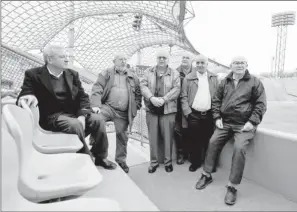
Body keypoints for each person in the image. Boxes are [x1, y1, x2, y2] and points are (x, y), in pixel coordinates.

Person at [17, 45, 116, 170]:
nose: (67, 59)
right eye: (62, 56)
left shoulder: (72, 74)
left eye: (67, 56)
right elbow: (25, 92)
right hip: (52, 116)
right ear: (50, 59)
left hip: (73, 114)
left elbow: (83, 97)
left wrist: (82, 115)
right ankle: (84, 156)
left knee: (98, 119)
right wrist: (28, 95)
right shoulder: (33, 74)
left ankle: (100, 156)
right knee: (75, 125)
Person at [195, 56, 267, 205]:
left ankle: (232, 186)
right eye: (236, 63)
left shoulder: (255, 82)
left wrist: (252, 122)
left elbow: (261, 104)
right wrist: (217, 117)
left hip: (244, 124)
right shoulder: (225, 82)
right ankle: (206, 174)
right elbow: (216, 100)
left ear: (247, 65)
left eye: (242, 63)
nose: (239, 65)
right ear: (231, 65)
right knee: (213, 141)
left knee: (239, 148)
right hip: (226, 122)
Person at [90, 53, 142, 173]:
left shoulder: (133, 77)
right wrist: (96, 105)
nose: (123, 61)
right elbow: (97, 88)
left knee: (122, 136)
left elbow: (138, 94)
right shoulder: (106, 73)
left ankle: (121, 161)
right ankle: (98, 154)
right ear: (114, 61)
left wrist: (136, 106)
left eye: (125, 59)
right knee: (96, 120)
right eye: (120, 59)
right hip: (107, 107)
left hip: (123, 112)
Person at [140, 49, 180, 173]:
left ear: (168, 59)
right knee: (153, 137)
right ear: (156, 59)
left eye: (164, 57)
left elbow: (177, 88)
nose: (161, 59)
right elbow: (143, 86)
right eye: (159, 57)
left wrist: (164, 99)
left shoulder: (174, 73)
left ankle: (168, 162)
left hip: (168, 109)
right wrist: (151, 98)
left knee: (168, 137)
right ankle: (153, 162)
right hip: (152, 108)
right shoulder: (148, 71)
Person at [181, 55, 218, 172]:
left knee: (209, 141)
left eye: (203, 63)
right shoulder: (188, 78)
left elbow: (217, 97)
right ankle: (195, 162)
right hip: (194, 115)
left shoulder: (214, 78)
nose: (200, 65)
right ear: (195, 64)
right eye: (198, 63)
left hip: (208, 114)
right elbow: (183, 97)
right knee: (194, 140)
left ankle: (209, 164)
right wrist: (188, 113)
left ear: (207, 64)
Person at [175, 52, 193, 165]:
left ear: (192, 61)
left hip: (192, 107)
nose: (185, 59)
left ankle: (191, 153)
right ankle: (181, 153)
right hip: (177, 107)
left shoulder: (196, 72)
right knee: (178, 131)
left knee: (191, 131)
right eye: (183, 57)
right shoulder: (175, 72)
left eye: (187, 57)